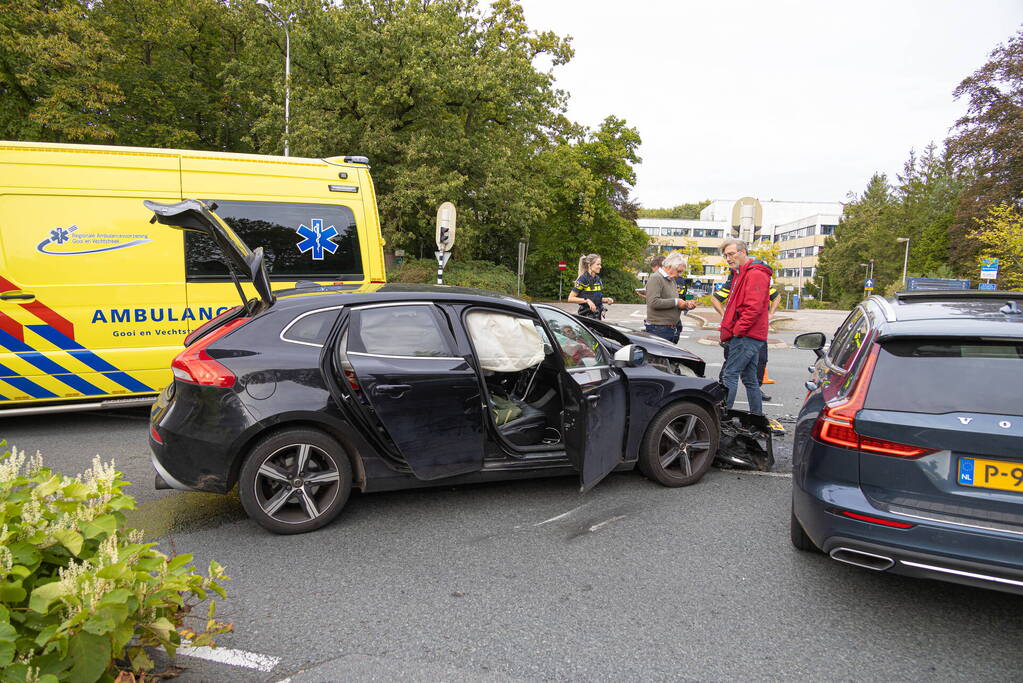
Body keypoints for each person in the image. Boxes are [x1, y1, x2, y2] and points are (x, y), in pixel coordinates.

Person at [718, 238, 772, 415]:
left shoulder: (755, 273)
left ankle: (722, 418)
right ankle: (757, 417)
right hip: (749, 334)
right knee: (750, 379)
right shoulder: (740, 273)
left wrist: (737, 330)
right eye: (726, 255)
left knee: (730, 374)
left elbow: (753, 308)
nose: (728, 258)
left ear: (743, 252)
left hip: (747, 335)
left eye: (731, 254)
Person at [712, 267, 781, 401]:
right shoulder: (733, 283)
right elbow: (715, 299)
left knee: (757, 365)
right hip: (741, 332)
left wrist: (771, 314)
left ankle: (730, 407)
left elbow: (774, 297)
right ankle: (723, 392)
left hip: (753, 331)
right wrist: (725, 316)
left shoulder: (759, 280)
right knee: (732, 368)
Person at [643, 252, 696, 343]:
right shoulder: (656, 278)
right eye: (679, 271)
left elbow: (674, 302)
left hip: (669, 328)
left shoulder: (671, 280)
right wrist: (676, 301)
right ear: (669, 266)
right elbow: (653, 302)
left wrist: (685, 305)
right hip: (659, 328)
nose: (680, 274)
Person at [567, 253, 613, 319]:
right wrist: (587, 301)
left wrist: (607, 299)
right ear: (589, 265)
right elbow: (570, 298)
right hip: (586, 317)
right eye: (598, 264)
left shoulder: (598, 279)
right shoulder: (583, 279)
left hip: (597, 316)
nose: (600, 267)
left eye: (600, 264)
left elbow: (595, 298)